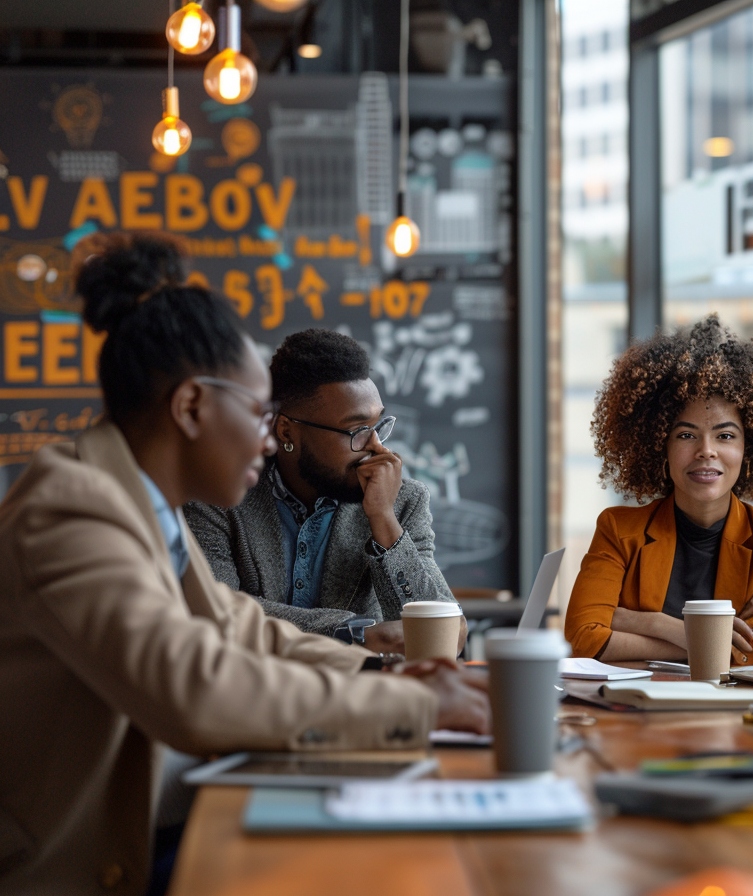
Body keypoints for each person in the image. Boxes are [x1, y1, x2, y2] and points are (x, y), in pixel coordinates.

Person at [0, 232, 488, 895]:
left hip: (160, 819)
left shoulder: (137, 500)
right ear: (191, 406)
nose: (269, 438)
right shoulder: (73, 508)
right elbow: (193, 686)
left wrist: (380, 668)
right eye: (260, 414)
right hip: (79, 862)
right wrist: (411, 704)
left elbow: (239, 627)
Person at [185, 328, 459, 657]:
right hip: (252, 696)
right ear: (286, 430)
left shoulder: (401, 501)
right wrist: (352, 632)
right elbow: (212, 612)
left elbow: (446, 634)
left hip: (360, 700)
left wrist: (384, 522)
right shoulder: (220, 495)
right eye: (357, 430)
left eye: (378, 426)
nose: (375, 446)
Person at [565, 316, 753, 663]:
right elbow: (584, 639)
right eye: (686, 435)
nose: (706, 450)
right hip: (636, 710)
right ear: (658, 444)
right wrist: (689, 632)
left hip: (734, 713)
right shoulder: (619, 530)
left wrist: (632, 620)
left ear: (748, 448)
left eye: (725, 436)